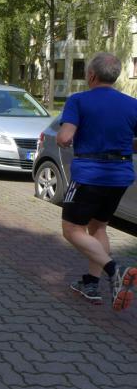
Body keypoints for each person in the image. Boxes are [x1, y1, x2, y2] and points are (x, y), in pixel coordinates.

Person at [56, 53, 137, 310]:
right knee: (98, 227)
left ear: (91, 75)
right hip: (120, 176)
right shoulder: (132, 104)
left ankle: (115, 270)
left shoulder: (78, 100)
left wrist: (63, 138)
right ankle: (91, 282)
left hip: (89, 175)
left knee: (71, 230)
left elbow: (65, 137)